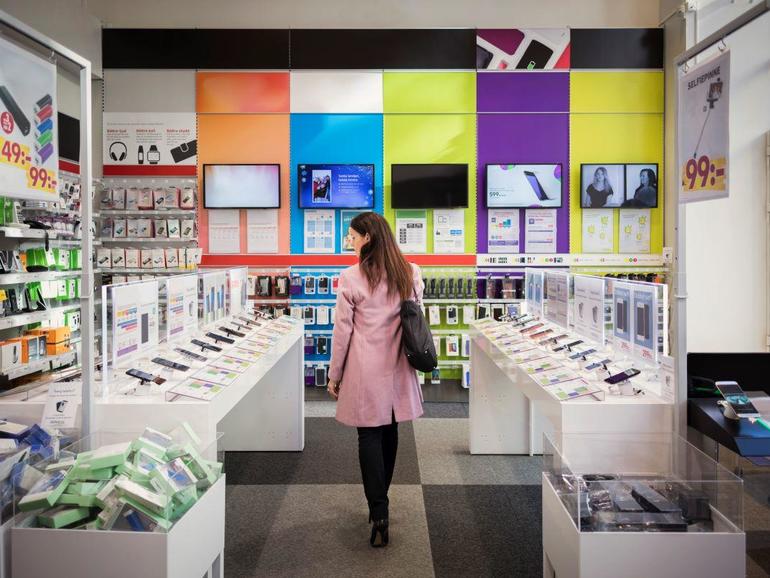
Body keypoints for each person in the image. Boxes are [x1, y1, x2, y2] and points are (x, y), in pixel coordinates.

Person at [327, 211, 423, 548]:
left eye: (353, 236)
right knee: (390, 430)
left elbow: (343, 331)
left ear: (367, 237)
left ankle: (378, 510)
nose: (350, 242)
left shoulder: (351, 277)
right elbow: (416, 318)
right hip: (398, 366)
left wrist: (334, 374)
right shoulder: (410, 272)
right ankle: (382, 499)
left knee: (368, 435)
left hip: (364, 370)